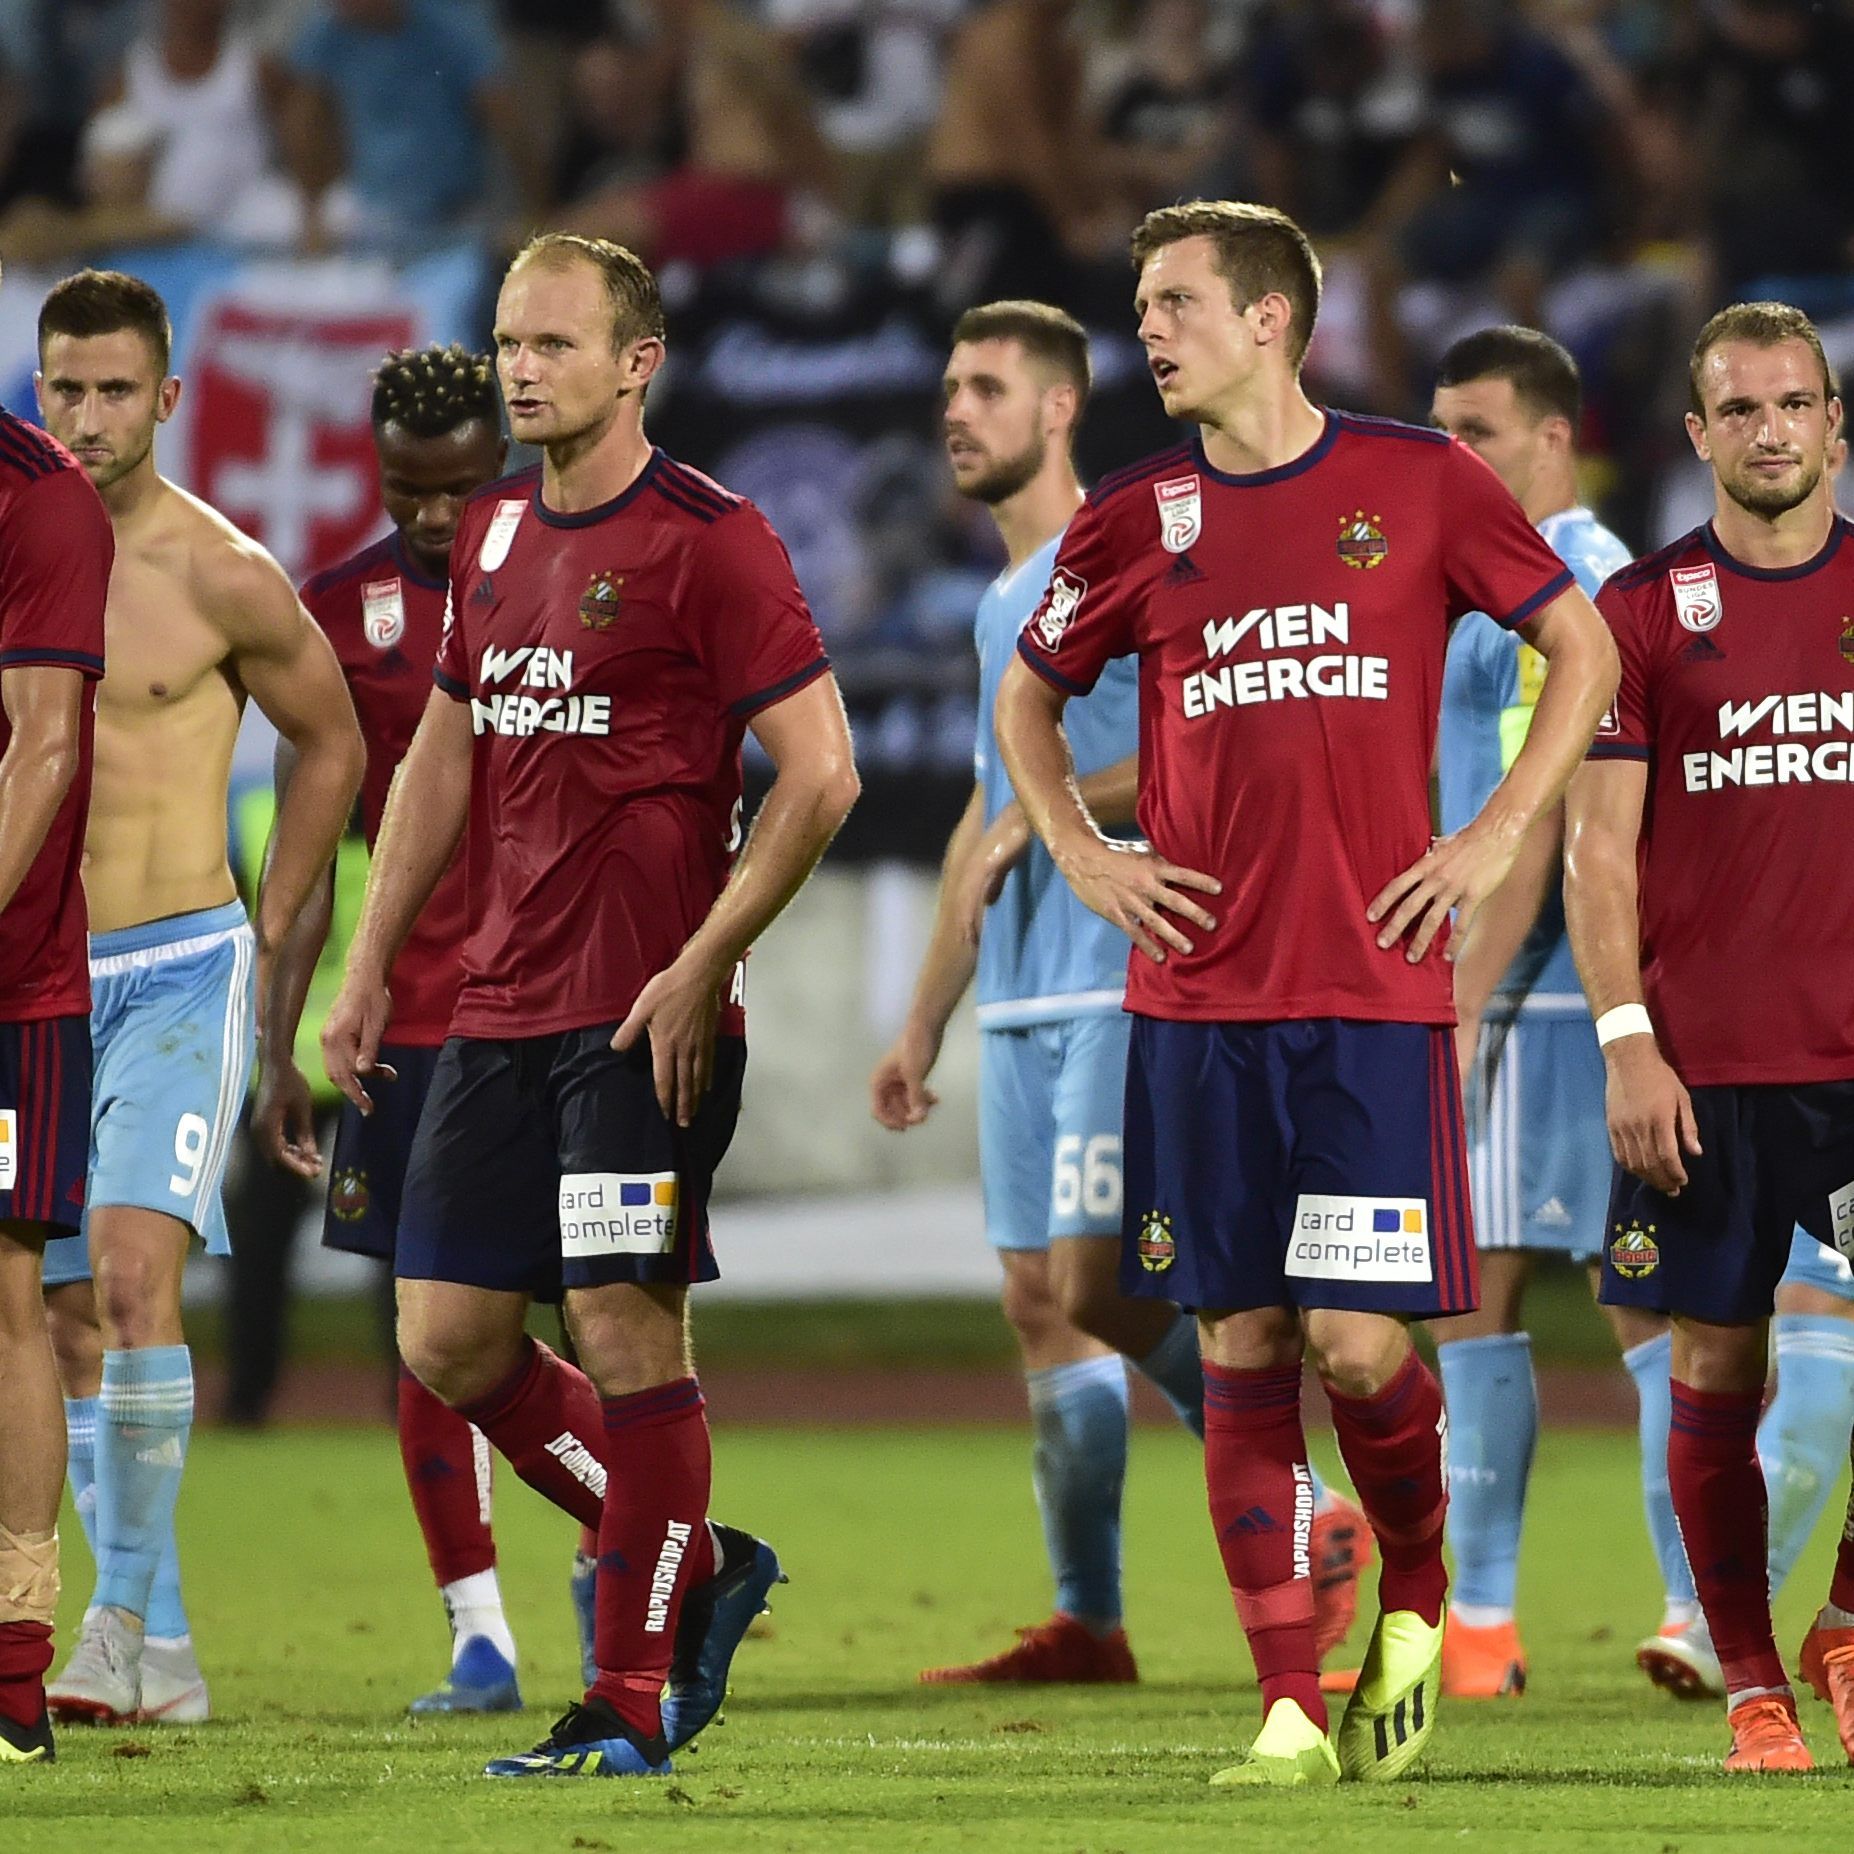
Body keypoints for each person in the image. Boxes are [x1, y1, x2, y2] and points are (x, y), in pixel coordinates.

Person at [996, 199, 1617, 1787]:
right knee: (1240, 1340)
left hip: (1366, 997)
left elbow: (1583, 649)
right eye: (1140, 303)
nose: (1149, 329)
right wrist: (1080, 847)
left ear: (1271, 319)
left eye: (1177, 302)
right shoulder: (1134, 520)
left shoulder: (1414, 484)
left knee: (1356, 1346)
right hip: (1193, 1000)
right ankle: (1284, 1697)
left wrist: (1488, 839)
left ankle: (1414, 1591)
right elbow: (1026, 695)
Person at [321, 231, 859, 1780]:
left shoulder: (713, 537)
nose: (519, 367)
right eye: (507, 341)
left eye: (553, 344)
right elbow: (441, 755)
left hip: (640, 1020)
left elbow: (824, 773)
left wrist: (702, 957)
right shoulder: (488, 537)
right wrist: (370, 962)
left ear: (638, 363)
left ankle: (624, 1696)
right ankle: (693, 1549)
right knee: (447, 1342)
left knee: (623, 1330)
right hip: (489, 1008)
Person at [873, 298, 1370, 1685]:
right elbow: (986, 823)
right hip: (1024, 994)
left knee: (1100, 1276)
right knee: (1038, 1298)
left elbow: (1191, 763)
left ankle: (1312, 1510)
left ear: (1053, 409)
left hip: (1122, 968)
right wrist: (922, 1019)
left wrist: (1059, 814)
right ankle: (1090, 1617)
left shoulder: (1143, 555)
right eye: (948, 387)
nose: (954, 411)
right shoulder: (993, 602)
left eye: (984, 387)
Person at [33, 268, 364, 1727]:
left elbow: (332, 740)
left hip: (177, 965)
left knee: (128, 1273)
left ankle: (108, 1626)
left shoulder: (221, 568)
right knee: (54, 1320)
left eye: (115, 390)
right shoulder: (8, 555)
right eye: (63, 388)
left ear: (170, 398)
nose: (87, 417)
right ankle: (159, 1644)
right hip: (39, 967)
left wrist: (275, 920)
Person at [1566, 300, 1854, 1773]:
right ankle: (1750, 1679)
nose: (1768, 430)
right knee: (1714, 1372)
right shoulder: (1638, 618)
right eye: (1737, 409)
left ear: (1831, 421)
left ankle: (1845, 1625)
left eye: (1793, 403)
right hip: (1702, 1068)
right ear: (1696, 437)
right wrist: (1624, 1040)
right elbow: (1596, 852)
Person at [252, 342, 544, 1713]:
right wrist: (274, 1036)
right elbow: (309, 859)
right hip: (416, 1025)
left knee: (609, 1314)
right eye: (408, 490)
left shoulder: (568, 572)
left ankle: (640, 1564)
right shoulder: (334, 614)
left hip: (570, 1009)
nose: (436, 515)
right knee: (421, 1329)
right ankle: (478, 1627)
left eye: (463, 484)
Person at [1417, 325, 1701, 1700]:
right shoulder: (1495, 574)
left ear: (1552, 436)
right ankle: (1554, 1618)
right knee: (1523, 1291)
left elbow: (1543, 824)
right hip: (1544, 991)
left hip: (1545, 997)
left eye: (1471, 429)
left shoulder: (1571, 580)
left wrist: (1459, 1007)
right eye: (1435, 428)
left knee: (1590, 1297)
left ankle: (1612, 1611)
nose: (1445, 454)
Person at [0, 348, 114, 1767]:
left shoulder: (39, 499)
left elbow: (40, 749)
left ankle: (15, 1651)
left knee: (6, 1290)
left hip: (10, 983)